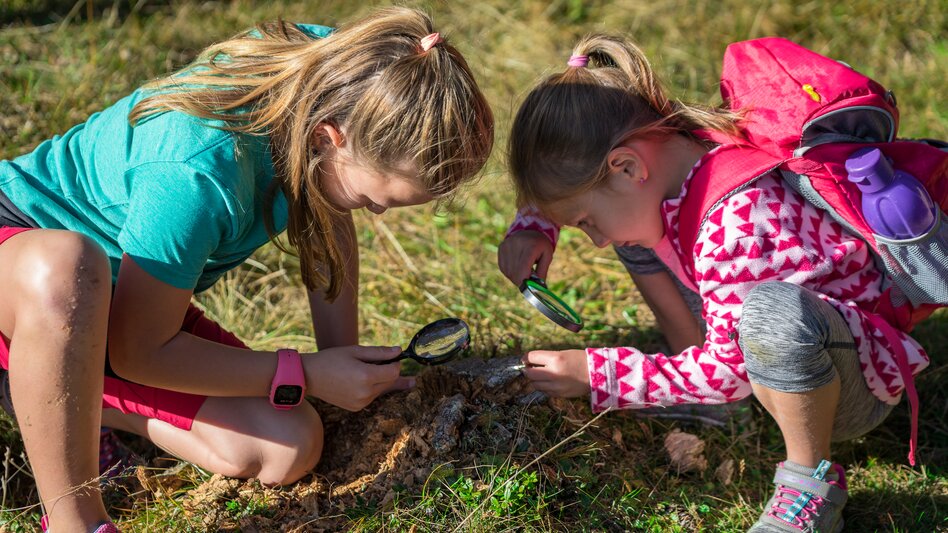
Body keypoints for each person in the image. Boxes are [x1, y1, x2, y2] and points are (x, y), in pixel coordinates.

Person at [0, 7, 493, 532]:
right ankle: (74, 519)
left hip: (124, 304)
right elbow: (140, 352)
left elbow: (331, 209)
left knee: (288, 447)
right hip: (28, 268)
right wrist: (303, 373)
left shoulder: (355, 76)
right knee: (68, 268)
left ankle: (41, 384)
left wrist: (339, 364)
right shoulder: (196, 172)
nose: (374, 213)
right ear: (329, 138)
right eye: (376, 200)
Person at [500, 33, 931, 532]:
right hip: (786, 341)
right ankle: (708, 397)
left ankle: (808, 482)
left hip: (850, 384)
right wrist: (535, 222)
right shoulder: (674, 145)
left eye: (585, 222)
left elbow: (731, 370)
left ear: (625, 166)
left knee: (771, 315)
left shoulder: (739, 224)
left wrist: (599, 374)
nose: (593, 240)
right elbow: (573, 158)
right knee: (633, 233)